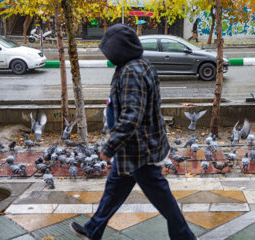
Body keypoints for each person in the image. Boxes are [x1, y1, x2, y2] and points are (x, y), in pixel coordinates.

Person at [70, 24, 197, 240]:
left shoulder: (131, 72)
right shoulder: (139, 65)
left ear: (119, 50)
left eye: (109, 51)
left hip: (140, 151)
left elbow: (131, 116)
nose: (107, 56)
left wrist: (109, 147)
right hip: (133, 148)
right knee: (114, 189)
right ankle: (93, 230)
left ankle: (185, 237)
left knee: (162, 198)